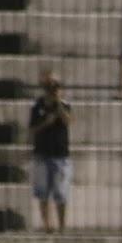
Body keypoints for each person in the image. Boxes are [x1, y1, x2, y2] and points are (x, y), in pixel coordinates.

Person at [28, 71, 72, 234]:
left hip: (60, 154)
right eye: (50, 87)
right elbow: (32, 128)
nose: (53, 90)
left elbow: (68, 121)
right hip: (42, 153)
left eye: (56, 87)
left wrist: (58, 104)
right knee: (43, 191)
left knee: (61, 192)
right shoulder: (38, 106)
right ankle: (47, 224)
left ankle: (61, 225)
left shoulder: (64, 104)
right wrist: (46, 123)